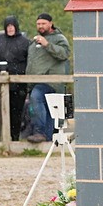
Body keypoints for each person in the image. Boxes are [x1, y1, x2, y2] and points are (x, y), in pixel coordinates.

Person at [25, 13, 71, 143]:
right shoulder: (34, 41)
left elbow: (65, 54)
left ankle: (39, 132)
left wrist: (47, 45)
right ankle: (48, 138)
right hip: (35, 81)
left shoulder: (59, 38)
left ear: (50, 23)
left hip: (51, 81)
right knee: (49, 110)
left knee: (36, 97)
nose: (40, 26)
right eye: (38, 23)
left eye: (43, 23)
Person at [0, 15, 30, 140]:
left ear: (16, 26)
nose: (10, 28)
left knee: (16, 113)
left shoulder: (25, 42)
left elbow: (28, 63)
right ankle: (1, 139)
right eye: (8, 26)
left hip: (18, 85)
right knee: (0, 113)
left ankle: (14, 139)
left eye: (12, 26)